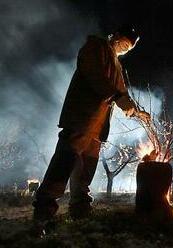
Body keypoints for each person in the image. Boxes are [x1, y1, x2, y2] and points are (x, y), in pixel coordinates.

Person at [32, 26, 150, 231]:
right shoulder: (95, 46)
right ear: (115, 37)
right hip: (81, 117)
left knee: (86, 167)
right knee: (65, 160)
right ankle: (44, 209)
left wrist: (137, 111)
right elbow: (94, 75)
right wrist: (117, 98)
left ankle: (80, 209)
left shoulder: (116, 65)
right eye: (124, 44)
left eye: (129, 48)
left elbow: (121, 92)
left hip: (98, 125)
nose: (125, 50)